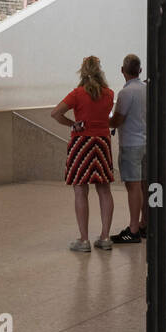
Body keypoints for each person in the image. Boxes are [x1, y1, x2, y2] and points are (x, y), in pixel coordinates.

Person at [50, 56, 116, 252]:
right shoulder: (109, 94)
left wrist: (73, 124)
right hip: (102, 143)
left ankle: (84, 239)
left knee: (81, 190)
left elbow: (55, 113)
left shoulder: (77, 94)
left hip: (81, 143)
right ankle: (105, 237)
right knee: (104, 190)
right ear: (100, 71)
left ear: (82, 72)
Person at [109, 54, 147, 244]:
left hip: (131, 144)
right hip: (146, 144)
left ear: (122, 70)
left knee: (133, 186)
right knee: (144, 185)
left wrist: (103, 121)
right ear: (140, 70)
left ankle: (133, 230)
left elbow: (118, 120)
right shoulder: (146, 89)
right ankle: (145, 224)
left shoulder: (125, 93)